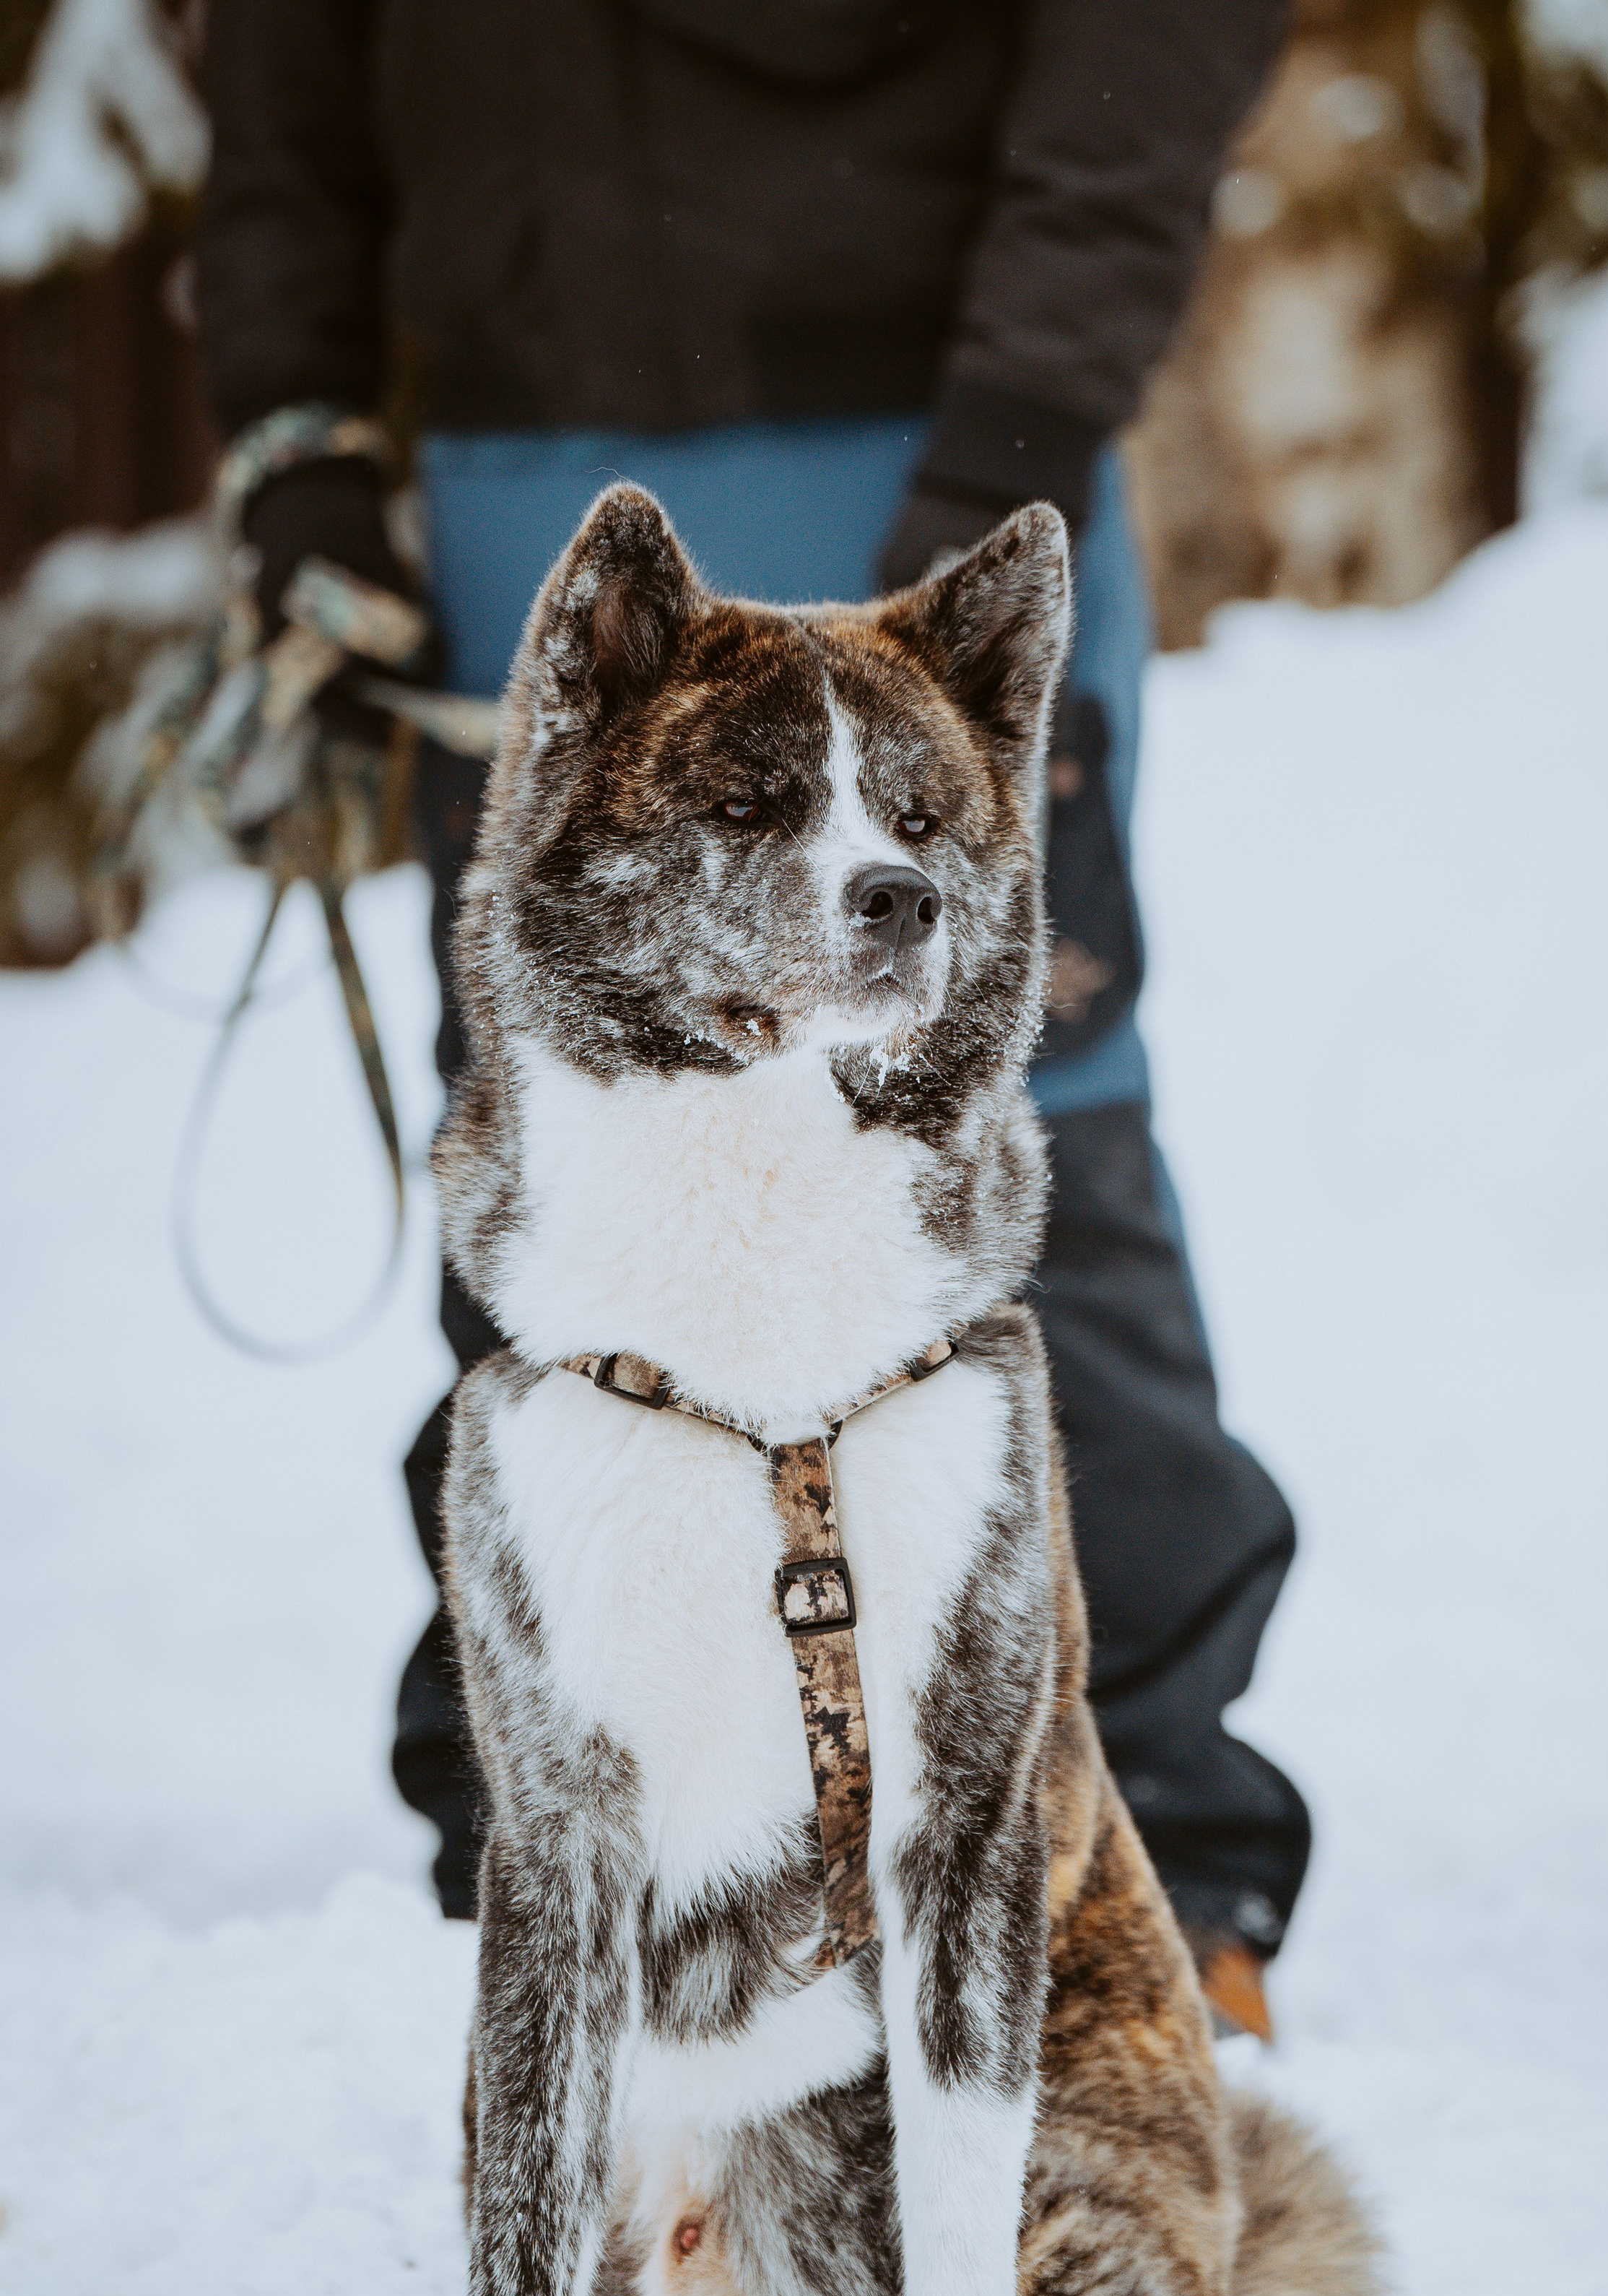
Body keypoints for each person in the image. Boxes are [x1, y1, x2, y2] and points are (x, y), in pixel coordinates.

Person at [196, 0, 1308, 2033]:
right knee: (579, 1169)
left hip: (925, 445)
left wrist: (1017, 434)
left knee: (999, 1125)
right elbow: (281, 78)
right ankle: (562, 1877)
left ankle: (1148, 1870)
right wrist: (302, 448)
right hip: (524, 471)